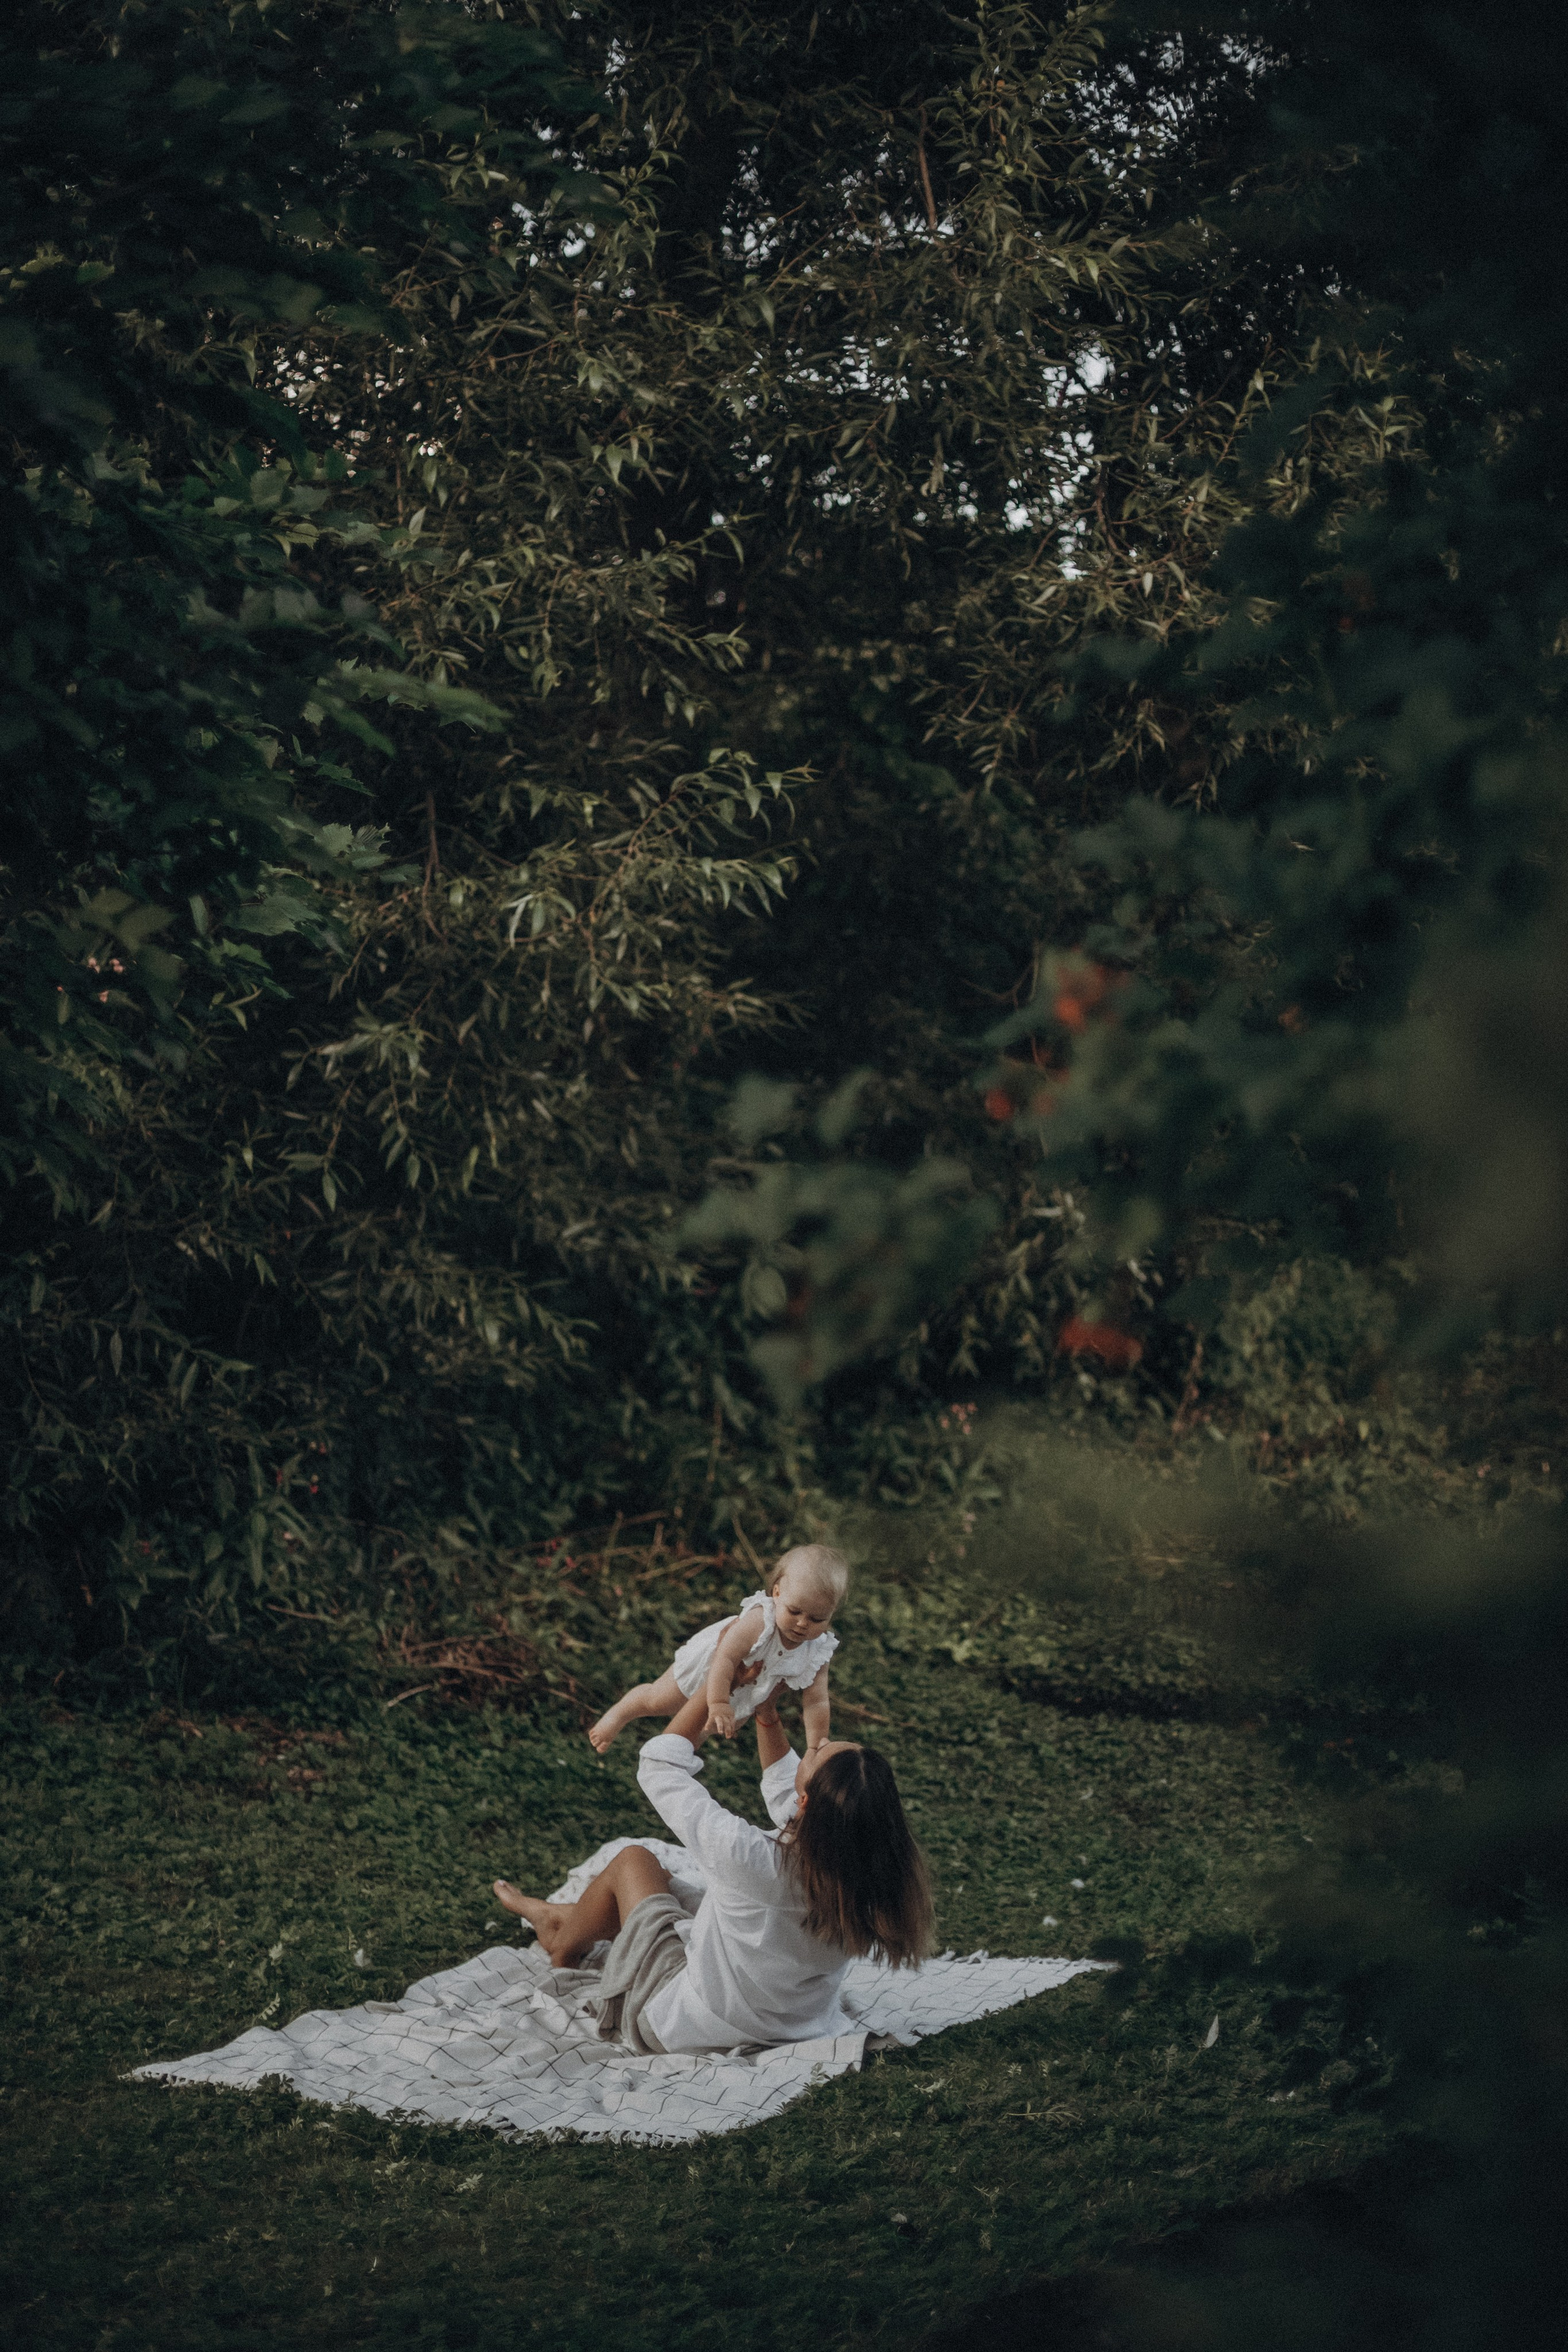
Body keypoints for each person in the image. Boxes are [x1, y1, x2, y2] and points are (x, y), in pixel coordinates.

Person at [493, 1683, 933, 2053]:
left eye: (815, 1750)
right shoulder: (871, 1872)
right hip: (795, 2024)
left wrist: (714, 1685)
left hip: (682, 2024)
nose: (812, 1743)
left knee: (635, 1861)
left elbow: (660, 1766)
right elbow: (794, 1801)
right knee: (677, 1893)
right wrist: (766, 1716)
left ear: (807, 1804)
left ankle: (562, 1943)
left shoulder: (750, 1857)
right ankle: (562, 1918)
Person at [586, 1542, 848, 1757]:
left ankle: (675, 1753)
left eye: (817, 1619)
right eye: (795, 1611)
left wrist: (817, 1744)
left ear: (831, 1614)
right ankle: (619, 1714)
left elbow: (816, 1701)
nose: (803, 1624)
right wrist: (719, 1701)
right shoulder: (761, 1621)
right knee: (659, 1700)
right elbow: (726, 1657)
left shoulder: (818, 1649)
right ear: (777, 1593)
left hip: (747, 1690)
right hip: (711, 1667)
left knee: (706, 1729)